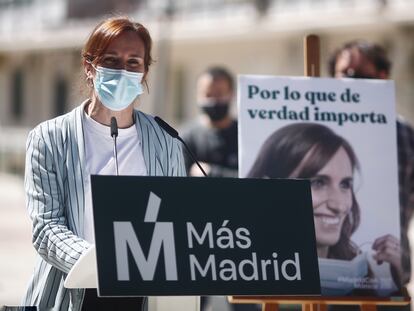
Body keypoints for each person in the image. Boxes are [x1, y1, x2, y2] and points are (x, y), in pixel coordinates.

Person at [22, 17, 186, 311]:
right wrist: (104, 266)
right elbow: (46, 228)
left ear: (145, 71)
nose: (123, 70)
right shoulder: (48, 139)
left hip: (143, 297)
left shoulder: (167, 142)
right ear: (89, 67)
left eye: (134, 62)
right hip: (70, 294)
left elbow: (176, 221)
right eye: (111, 60)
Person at [247, 123, 402, 295]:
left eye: (345, 184)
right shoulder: (243, 273)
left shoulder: (366, 277)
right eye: (318, 182)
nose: (339, 205)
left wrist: (394, 290)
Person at [329, 40, 414, 288]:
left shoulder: (405, 135)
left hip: (389, 277)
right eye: (344, 73)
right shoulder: (320, 134)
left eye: (360, 73)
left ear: (382, 76)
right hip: (328, 278)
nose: (351, 79)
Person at [181, 66, 238, 177]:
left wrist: (212, 172)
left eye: (219, 94)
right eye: (207, 94)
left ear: (232, 94)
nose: (213, 101)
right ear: (197, 95)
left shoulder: (244, 135)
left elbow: (253, 176)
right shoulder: (184, 138)